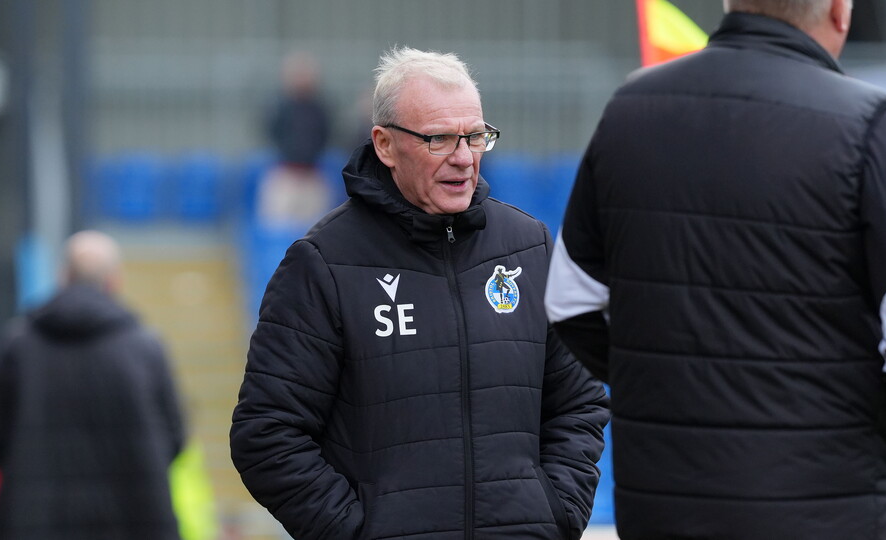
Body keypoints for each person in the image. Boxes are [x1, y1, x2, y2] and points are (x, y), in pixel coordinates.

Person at [544, 0, 886, 539]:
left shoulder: (628, 109)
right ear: (840, 12)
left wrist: (664, 390)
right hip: (829, 505)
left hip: (665, 502)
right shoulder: (871, 124)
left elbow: (571, 302)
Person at [231, 46, 609, 540]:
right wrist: (358, 531)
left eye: (475, 136)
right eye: (438, 139)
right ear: (384, 145)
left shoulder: (530, 247)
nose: (462, 157)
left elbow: (578, 404)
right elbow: (267, 435)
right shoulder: (323, 263)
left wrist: (555, 512)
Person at [0, 230, 186, 540]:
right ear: (114, 280)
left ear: (63, 276)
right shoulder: (145, 347)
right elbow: (174, 437)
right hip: (133, 517)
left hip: (33, 521)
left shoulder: (18, 345)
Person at [257, 50, 334, 227]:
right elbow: (272, 132)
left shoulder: (320, 108)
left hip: (312, 174)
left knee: (316, 229)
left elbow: (326, 134)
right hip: (285, 174)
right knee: (277, 226)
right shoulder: (279, 106)